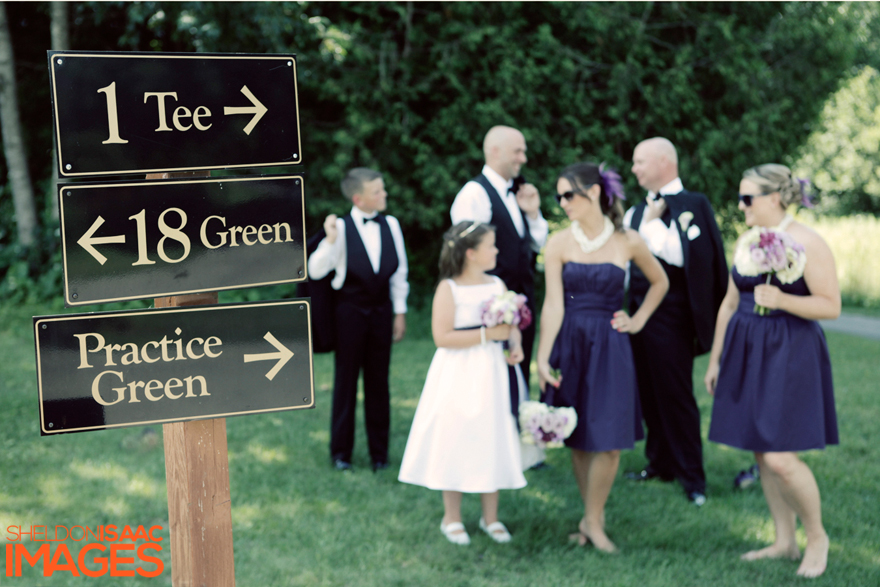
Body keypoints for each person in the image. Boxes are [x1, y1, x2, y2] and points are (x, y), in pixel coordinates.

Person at [704, 164, 839, 578]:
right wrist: (716, 357)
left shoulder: (808, 242)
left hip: (789, 353)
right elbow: (729, 303)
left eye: (748, 198)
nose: (740, 206)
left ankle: (816, 536)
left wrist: (782, 300)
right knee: (762, 451)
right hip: (746, 350)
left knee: (781, 457)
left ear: (775, 199)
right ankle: (784, 541)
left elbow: (830, 305)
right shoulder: (746, 241)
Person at [536, 162, 669, 553]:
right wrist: (542, 358)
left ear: (594, 192)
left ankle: (592, 521)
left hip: (611, 345)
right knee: (578, 436)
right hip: (572, 342)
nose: (562, 203)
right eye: (558, 196)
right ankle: (591, 517)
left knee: (610, 442)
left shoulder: (627, 240)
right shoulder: (558, 243)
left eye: (568, 195)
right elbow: (553, 306)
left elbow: (660, 281)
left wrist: (639, 319)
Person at [398, 221, 527, 546]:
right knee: (455, 435)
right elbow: (442, 336)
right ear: (471, 253)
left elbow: (509, 326)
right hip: (457, 370)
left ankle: (491, 517)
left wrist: (515, 342)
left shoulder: (496, 284)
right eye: (491, 246)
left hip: (491, 370)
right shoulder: (449, 288)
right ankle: (451, 517)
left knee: (491, 432)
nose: (497, 250)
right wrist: (487, 335)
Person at [623, 137, 728, 505]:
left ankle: (692, 477)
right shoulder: (635, 211)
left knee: (676, 395)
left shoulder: (694, 204)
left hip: (673, 319)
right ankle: (660, 463)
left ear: (664, 161)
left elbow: (690, 258)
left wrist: (651, 228)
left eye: (640, 162)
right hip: (636, 315)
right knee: (649, 393)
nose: (634, 169)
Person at [307, 168, 409, 472]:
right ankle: (341, 454)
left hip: (381, 313)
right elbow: (315, 270)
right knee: (346, 382)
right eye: (377, 191)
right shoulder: (339, 227)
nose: (384, 195)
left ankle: (380, 455)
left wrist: (399, 313)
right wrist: (329, 240)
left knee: (379, 383)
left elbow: (400, 273)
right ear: (358, 197)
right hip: (349, 314)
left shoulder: (391, 224)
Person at [451, 125, 548, 390]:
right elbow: (466, 256)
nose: (523, 159)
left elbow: (538, 243)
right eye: (518, 152)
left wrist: (532, 213)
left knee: (519, 376)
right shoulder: (474, 194)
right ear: (495, 151)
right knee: (491, 382)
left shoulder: (519, 193)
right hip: (489, 308)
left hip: (521, 303)